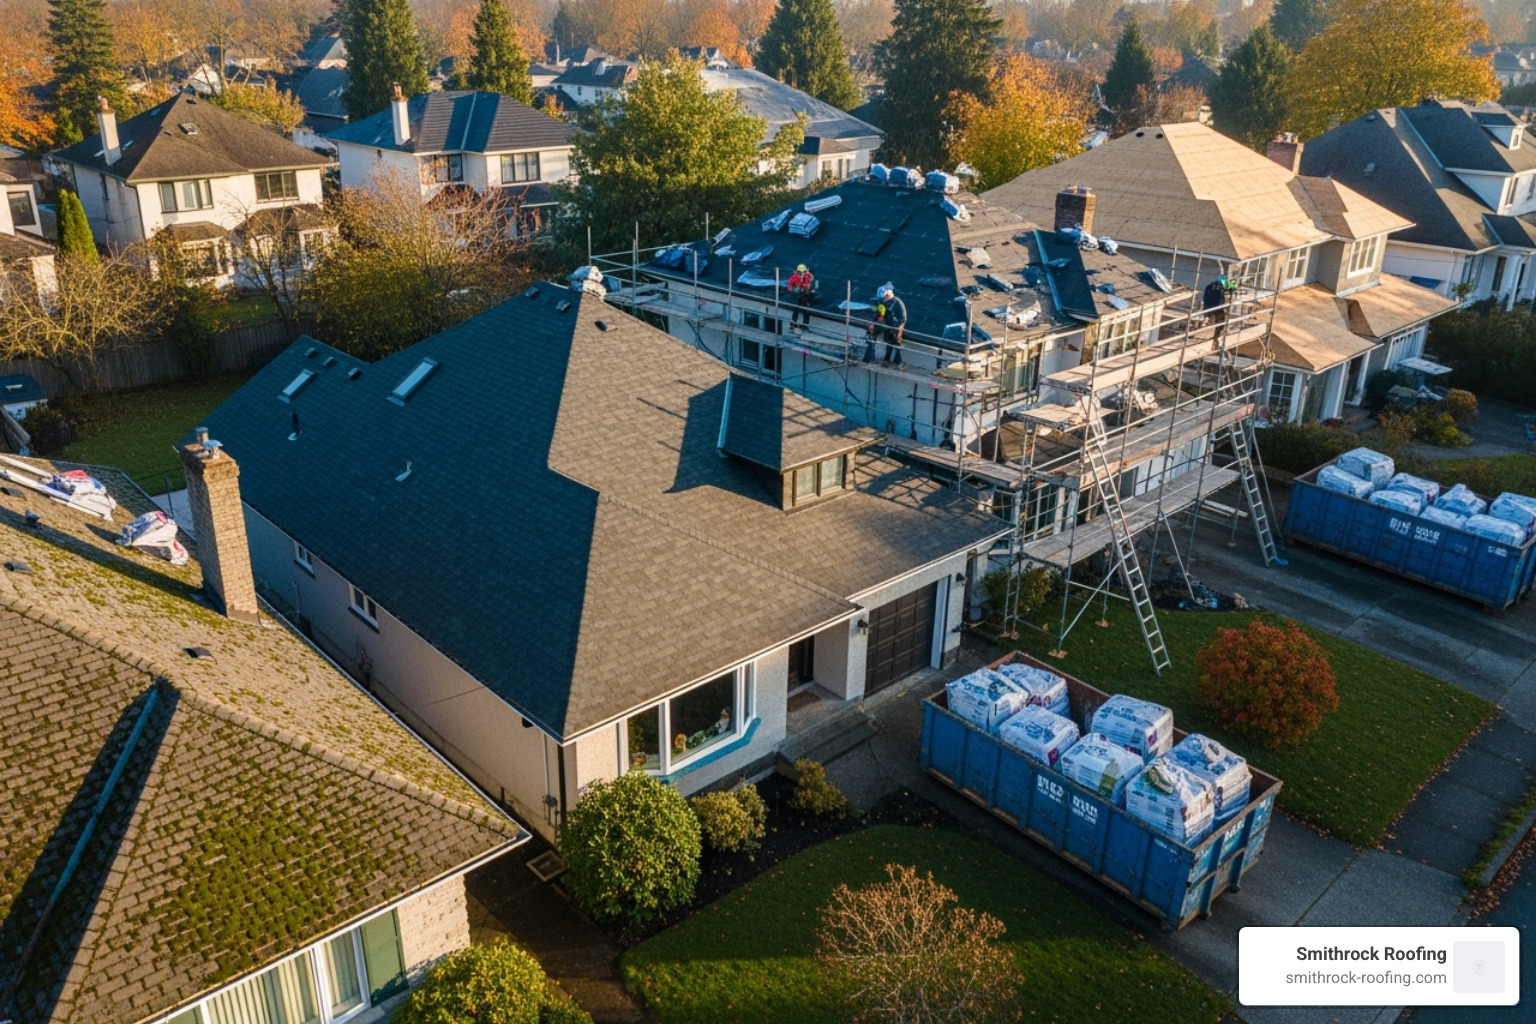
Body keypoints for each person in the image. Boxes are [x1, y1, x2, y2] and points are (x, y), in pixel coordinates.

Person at [880, 286, 907, 365]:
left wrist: (900, 327)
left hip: (896, 327)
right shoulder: (886, 302)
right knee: (889, 343)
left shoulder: (898, 302)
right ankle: (887, 359)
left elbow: (903, 317)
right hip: (889, 326)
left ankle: (897, 360)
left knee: (896, 344)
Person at [788, 263, 815, 329]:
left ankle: (805, 325)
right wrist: (794, 290)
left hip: (807, 295)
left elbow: (812, 284)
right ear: (798, 272)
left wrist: (810, 290)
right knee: (796, 308)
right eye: (800, 272)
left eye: (803, 272)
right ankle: (794, 322)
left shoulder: (809, 276)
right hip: (799, 294)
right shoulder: (794, 277)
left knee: (806, 310)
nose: (802, 274)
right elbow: (790, 285)